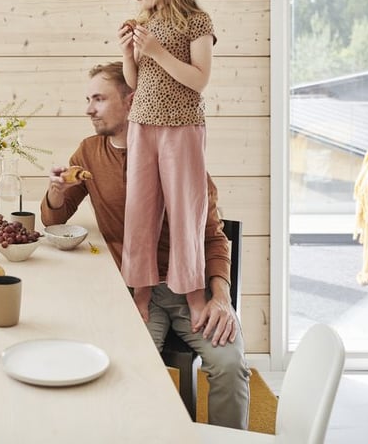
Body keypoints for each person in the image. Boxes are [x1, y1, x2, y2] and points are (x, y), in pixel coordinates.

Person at [41, 62, 249, 429]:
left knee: (230, 365)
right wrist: (56, 192)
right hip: (134, 292)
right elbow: (53, 219)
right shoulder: (89, 153)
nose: (89, 109)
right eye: (88, 99)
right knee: (128, 372)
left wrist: (221, 297)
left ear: (131, 100)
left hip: (190, 290)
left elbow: (213, 236)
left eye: (99, 99)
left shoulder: (178, 150)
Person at [118, 0, 215, 321]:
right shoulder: (145, 22)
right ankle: (140, 291)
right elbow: (135, 82)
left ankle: (193, 294)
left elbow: (199, 79)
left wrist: (158, 51)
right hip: (142, 125)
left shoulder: (197, 22)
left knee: (186, 213)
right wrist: (129, 55)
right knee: (140, 212)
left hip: (182, 128)